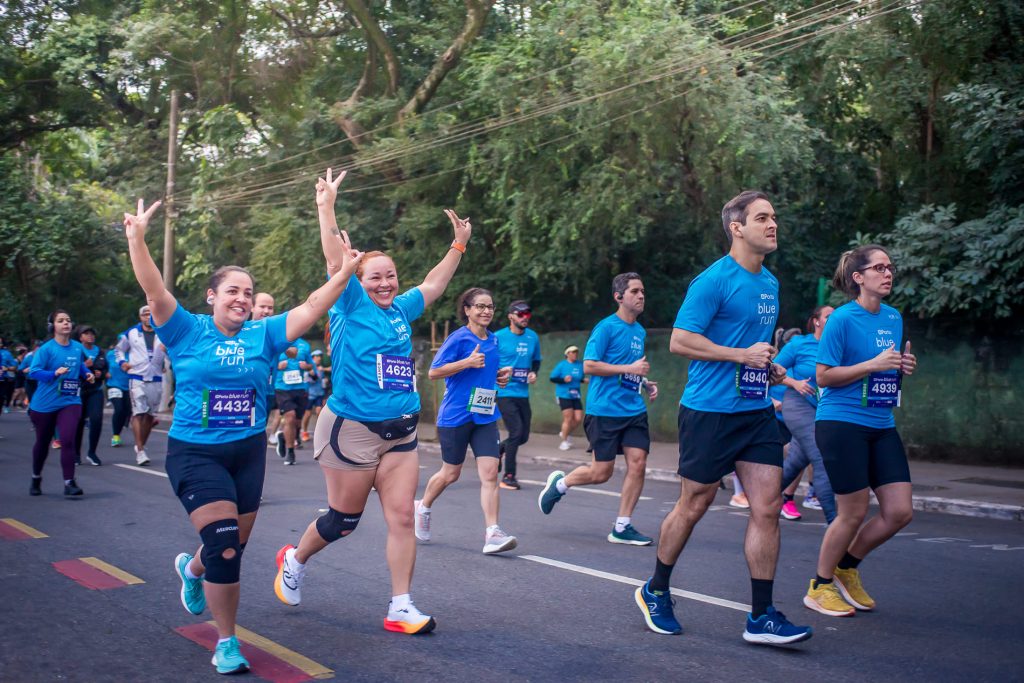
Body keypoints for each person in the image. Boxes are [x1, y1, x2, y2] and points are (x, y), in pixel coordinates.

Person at [123, 197, 363, 675]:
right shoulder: (186, 330)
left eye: (249, 293)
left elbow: (315, 306)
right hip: (197, 454)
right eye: (233, 290)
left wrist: (344, 272)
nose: (242, 298)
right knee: (227, 547)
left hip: (248, 454)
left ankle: (192, 571)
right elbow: (154, 287)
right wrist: (137, 237)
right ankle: (227, 642)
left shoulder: (265, 334)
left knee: (228, 545)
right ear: (212, 296)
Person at [273, 168, 470, 636]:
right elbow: (331, 260)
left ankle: (401, 605)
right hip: (351, 432)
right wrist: (326, 207)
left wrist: (457, 245)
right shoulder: (349, 304)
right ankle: (295, 559)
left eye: (391, 277)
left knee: (402, 516)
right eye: (375, 277)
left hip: (401, 433)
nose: (385, 284)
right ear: (359, 282)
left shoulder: (402, 309)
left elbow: (436, 285)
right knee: (344, 521)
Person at [634, 191, 812, 646]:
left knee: (767, 507)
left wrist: (766, 365)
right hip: (709, 411)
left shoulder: (769, 283)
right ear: (737, 227)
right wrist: (740, 355)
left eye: (774, 216)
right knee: (694, 504)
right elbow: (680, 341)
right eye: (762, 218)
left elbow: (751, 347)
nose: (773, 224)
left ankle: (761, 616)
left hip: (753, 411)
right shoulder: (713, 281)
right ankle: (655, 589)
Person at [802, 245, 916, 617]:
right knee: (852, 512)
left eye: (890, 267)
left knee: (899, 512)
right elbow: (823, 377)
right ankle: (819, 586)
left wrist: (900, 368)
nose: (888, 273)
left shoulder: (893, 318)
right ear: (858, 277)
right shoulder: (841, 320)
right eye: (879, 267)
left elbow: (885, 372)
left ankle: (846, 568)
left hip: (881, 423)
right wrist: (872, 364)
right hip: (841, 424)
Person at [538, 273, 658, 546]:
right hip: (604, 410)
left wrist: (644, 383)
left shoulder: (639, 331)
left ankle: (622, 526)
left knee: (638, 464)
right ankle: (559, 484)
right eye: (635, 291)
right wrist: (630, 369)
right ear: (619, 297)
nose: (641, 296)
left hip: (633, 410)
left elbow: (629, 370)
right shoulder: (606, 328)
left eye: (643, 291)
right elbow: (589, 366)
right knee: (601, 473)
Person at [415, 288, 516, 554]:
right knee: (451, 473)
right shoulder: (458, 339)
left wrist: (500, 376)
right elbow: (434, 372)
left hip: (484, 415)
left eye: (490, 306)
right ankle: (423, 506)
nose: (486, 311)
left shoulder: (493, 340)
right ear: (467, 310)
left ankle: (492, 532)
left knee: (491, 473)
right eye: (480, 306)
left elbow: (485, 374)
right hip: (456, 416)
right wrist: (466, 362)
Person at [773, 307, 837, 523]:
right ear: (816, 321)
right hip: (797, 405)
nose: (834, 319)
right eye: (829, 316)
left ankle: (765, 501)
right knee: (821, 456)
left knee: (795, 462)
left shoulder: (840, 346)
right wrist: (794, 382)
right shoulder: (800, 344)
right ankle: (834, 522)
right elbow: (771, 370)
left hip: (824, 411)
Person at [27, 310, 95, 496]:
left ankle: (69, 482)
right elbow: (34, 372)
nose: (66, 323)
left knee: (67, 440)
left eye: (68, 320)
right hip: (45, 404)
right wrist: (54, 374)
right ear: (53, 326)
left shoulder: (76, 347)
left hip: (70, 400)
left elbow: (79, 364)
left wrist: (86, 373)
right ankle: (36, 476)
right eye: (60, 320)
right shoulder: (46, 349)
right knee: (42, 442)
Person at [494, 300, 541, 490]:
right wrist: (500, 373)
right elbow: (489, 363)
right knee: (515, 432)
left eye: (527, 314)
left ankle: (498, 450)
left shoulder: (533, 337)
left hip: (523, 392)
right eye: (520, 314)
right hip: (504, 392)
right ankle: (509, 476)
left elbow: (536, 361)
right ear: (510, 316)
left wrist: (533, 373)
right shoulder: (498, 337)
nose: (525, 317)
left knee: (523, 437)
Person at [115, 305, 167, 465]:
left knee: (150, 416)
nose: (148, 317)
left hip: (157, 378)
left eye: (151, 314)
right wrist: (123, 362)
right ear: (140, 317)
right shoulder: (131, 333)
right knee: (138, 412)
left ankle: (140, 446)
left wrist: (167, 357)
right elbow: (118, 350)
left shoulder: (163, 333)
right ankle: (141, 451)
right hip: (137, 377)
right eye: (145, 314)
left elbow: (173, 350)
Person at [273, 339, 313, 465]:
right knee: (290, 417)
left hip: (300, 388)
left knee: (297, 422)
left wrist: (306, 367)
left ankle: (284, 437)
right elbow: (267, 363)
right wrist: (277, 366)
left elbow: (311, 365)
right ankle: (290, 452)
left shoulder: (305, 345)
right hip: (282, 388)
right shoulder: (276, 341)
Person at [74, 325, 108, 466]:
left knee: (96, 419)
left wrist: (101, 373)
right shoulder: (76, 350)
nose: (90, 336)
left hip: (96, 390)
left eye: (92, 333)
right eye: (86, 333)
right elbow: (70, 368)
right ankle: (75, 454)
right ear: (80, 337)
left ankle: (92, 453)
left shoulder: (99, 351)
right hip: (80, 390)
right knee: (79, 422)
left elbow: (105, 367)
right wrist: (83, 366)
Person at [549, 345, 586, 450]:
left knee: (578, 418)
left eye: (576, 352)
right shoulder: (562, 365)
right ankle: (564, 441)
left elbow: (579, 378)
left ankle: (565, 432)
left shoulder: (580, 365)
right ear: (567, 354)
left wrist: (584, 381)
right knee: (568, 418)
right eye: (572, 352)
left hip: (575, 395)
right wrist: (563, 380)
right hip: (563, 394)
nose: (575, 354)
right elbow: (552, 378)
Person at [106, 342, 132, 447]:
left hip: (129, 386)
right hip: (114, 385)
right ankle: (115, 436)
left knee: (126, 411)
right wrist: (105, 373)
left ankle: (120, 430)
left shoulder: (134, 354)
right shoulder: (111, 354)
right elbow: (103, 365)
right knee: (119, 409)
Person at [301, 350, 327, 442]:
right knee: (307, 414)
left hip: (319, 394)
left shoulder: (320, 368)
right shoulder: (309, 368)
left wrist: (324, 382)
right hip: (310, 394)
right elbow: (309, 380)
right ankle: (304, 432)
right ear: (313, 358)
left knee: (319, 413)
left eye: (320, 356)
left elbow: (322, 382)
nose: (319, 358)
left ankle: (320, 434)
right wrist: (313, 375)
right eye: (317, 356)